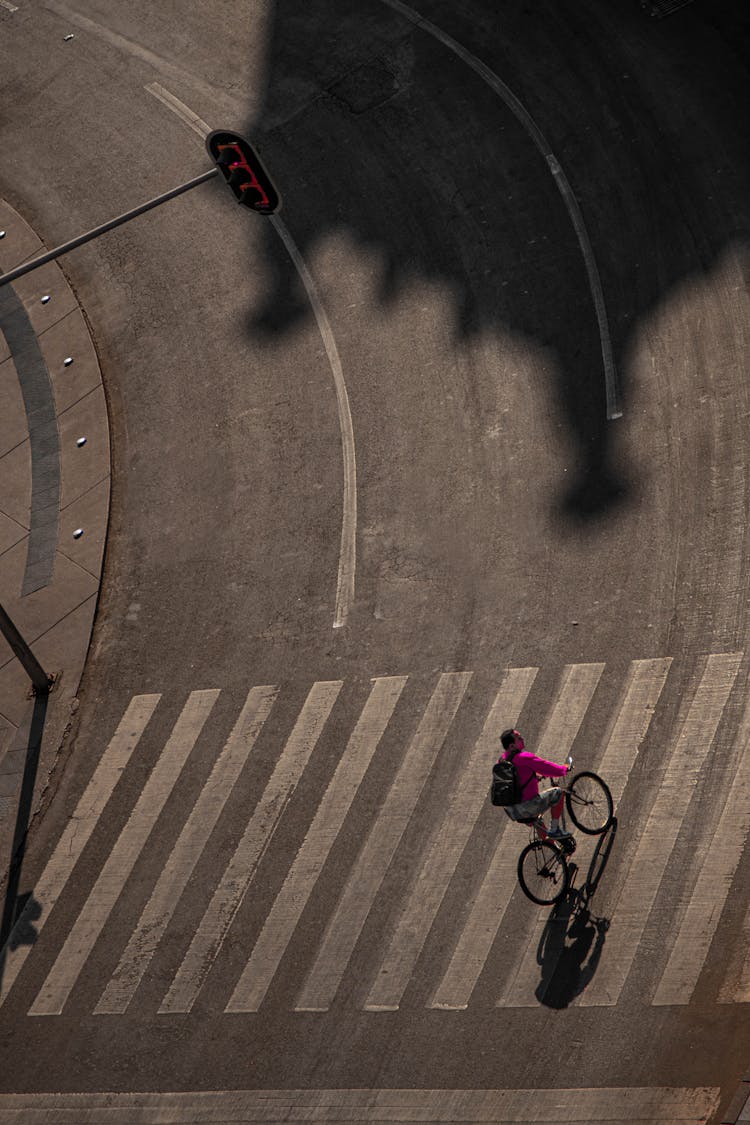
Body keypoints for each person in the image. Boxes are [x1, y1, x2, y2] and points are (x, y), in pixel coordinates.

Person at [499, 728, 572, 839]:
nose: (522, 738)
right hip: (528, 806)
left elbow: (517, 779)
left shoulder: (502, 760)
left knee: (538, 822)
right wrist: (563, 769)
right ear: (511, 746)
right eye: (518, 738)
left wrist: (535, 778)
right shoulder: (523, 758)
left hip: (514, 810)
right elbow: (545, 766)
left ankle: (556, 852)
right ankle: (555, 829)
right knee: (558, 793)